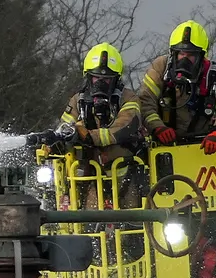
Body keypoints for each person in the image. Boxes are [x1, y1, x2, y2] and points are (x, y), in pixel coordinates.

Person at [27, 42, 144, 208]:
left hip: (124, 173)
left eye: (106, 79)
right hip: (88, 175)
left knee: (132, 218)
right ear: (88, 77)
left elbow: (125, 127)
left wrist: (88, 136)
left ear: (116, 80)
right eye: (97, 78)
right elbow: (65, 128)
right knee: (87, 217)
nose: (100, 84)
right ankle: (69, 207)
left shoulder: (128, 98)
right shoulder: (77, 101)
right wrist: (55, 141)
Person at [138, 20, 216, 154]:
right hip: (162, 149)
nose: (184, 60)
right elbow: (145, 103)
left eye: (191, 55)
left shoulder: (213, 76)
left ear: (201, 56)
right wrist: (158, 127)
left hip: (200, 148)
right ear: (173, 53)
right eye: (181, 53)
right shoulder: (160, 68)